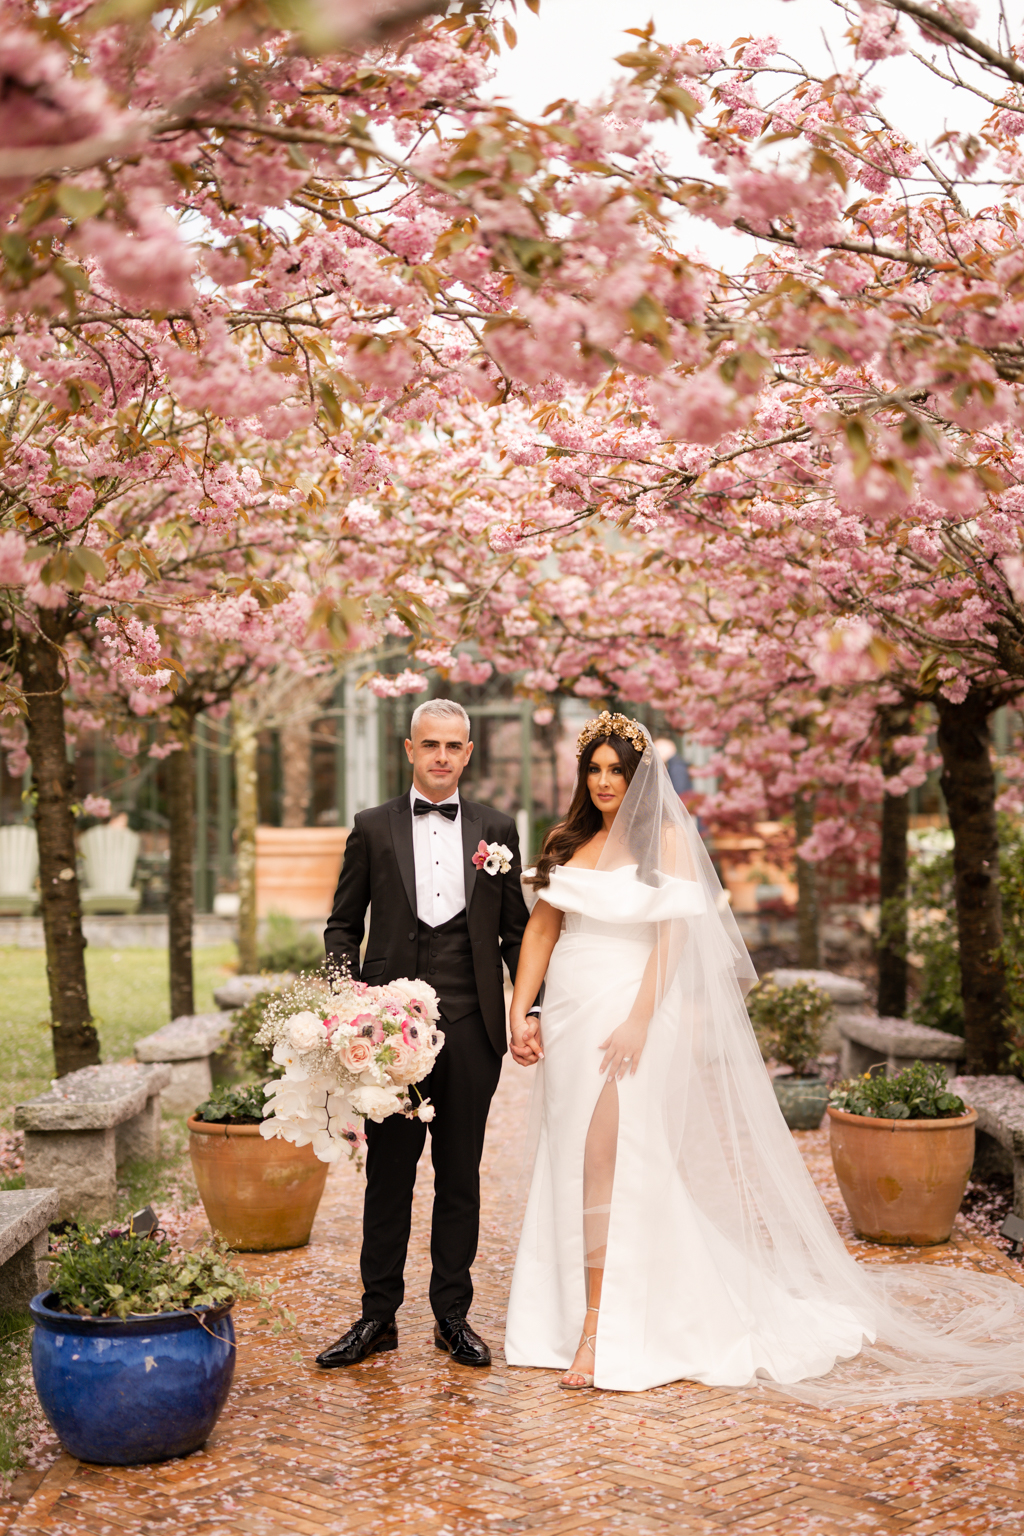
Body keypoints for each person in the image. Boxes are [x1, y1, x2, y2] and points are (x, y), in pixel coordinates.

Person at [504, 710, 1024, 1403]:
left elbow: (674, 942)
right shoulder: (565, 842)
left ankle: (600, 1328)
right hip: (568, 1017)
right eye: (594, 770)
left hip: (628, 1021)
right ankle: (568, 1311)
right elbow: (541, 930)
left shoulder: (665, 842)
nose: (604, 782)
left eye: (617, 771)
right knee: (569, 1158)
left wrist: (637, 1020)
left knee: (611, 1161)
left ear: (639, 777)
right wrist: (522, 1010)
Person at [317, 699, 532, 1370]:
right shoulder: (372, 828)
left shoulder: (498, 829)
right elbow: (342, 925)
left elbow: (517, 932)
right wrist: (351, 1004)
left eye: (454, 746)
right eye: (429, 744)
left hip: (471, 1029)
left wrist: (529, 1010)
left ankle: (453, 1316)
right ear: (408, 750)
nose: (442, 756)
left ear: (469, 754)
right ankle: (377, 1316)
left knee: (459, 1176)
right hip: (391, 1039)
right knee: (389, 1175)